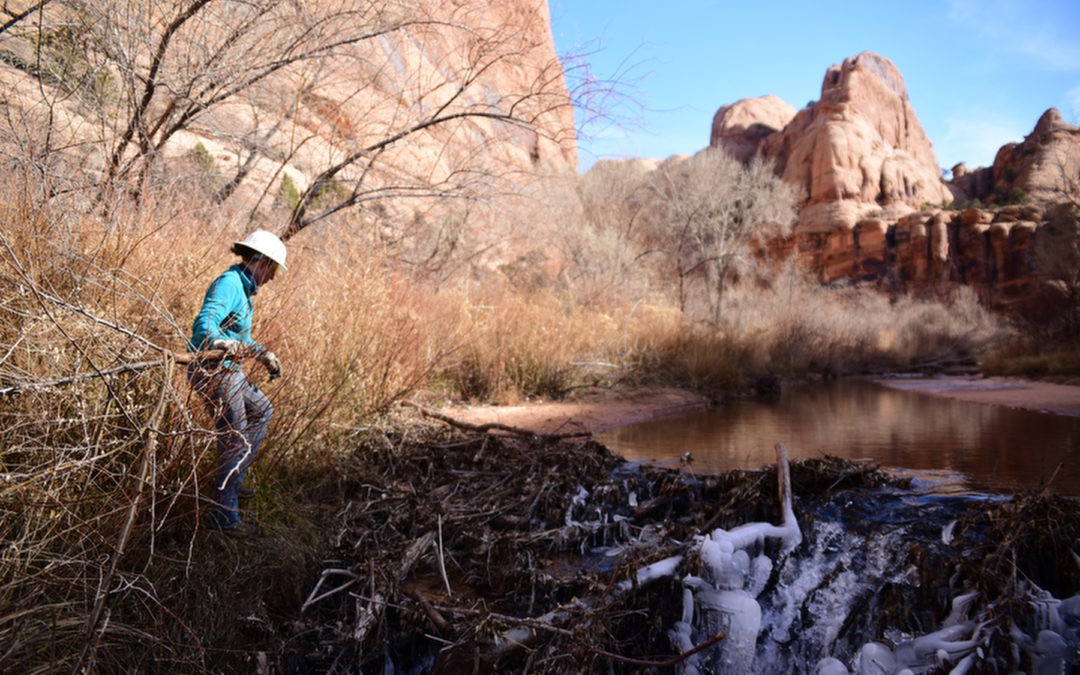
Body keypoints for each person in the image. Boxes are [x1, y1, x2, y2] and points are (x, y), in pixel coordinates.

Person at [187, 230, 287, 535]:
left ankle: (232, 480)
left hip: (230, 370)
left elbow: (240, 338)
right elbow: (204, 322)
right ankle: (223, 516)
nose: (271, 278)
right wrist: (217, 341)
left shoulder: (244, 292)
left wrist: (263, 354)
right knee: (235, 437)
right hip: (213, 369)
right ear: (261, 262)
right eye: (272, 270)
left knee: (262, 412)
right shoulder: (229, 284)